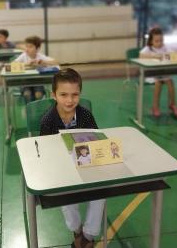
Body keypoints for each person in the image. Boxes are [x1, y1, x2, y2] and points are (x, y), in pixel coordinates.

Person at [40, 68, 105, 248]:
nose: (70, 100)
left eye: (74, 94)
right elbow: (45, 152)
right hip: (62, 171)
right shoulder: (48, 120)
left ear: (80, 94)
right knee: (67, 197)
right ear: (53, 95)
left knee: (101, 192)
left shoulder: (85, 115)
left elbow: (96, 140)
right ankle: (76, 230)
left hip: (87, 166)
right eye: (63, 95)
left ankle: (89, 235)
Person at [140, 27, 177, 118]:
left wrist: (173, 55)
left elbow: (174, 54)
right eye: (157, 41)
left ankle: (172, 104)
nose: (159, 43)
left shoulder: (164, 47)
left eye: (161, 40)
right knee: (158, 82)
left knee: (170, 81)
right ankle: (155, 107)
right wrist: (154, 56)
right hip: (151, 74)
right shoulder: (148, 49)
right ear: (151, 41)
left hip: (163, 73)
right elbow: (141, 55)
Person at [15, 36, 58, 103]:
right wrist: (26, 64)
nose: (27, 49)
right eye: (26, 46)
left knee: (38, 95)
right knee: (27, 94)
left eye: (30, 47)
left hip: (38, 81)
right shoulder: (23, 56)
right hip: (25, 81)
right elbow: (13, 64)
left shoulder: (40, 56)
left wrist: (43, 62)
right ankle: (29, 110)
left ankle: (37, 111)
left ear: (37, 48)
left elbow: (56, 62)